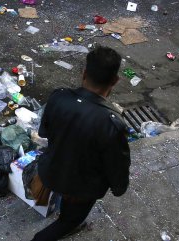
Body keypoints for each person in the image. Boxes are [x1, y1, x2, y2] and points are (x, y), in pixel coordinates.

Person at [32, 46, 131, 241]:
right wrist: (119, 188)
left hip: (52, 171)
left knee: (67, 206)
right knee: (68, 221)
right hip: (81, 188)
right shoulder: (111, 123)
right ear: (115, 81)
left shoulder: (58, 96)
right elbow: (117, 166)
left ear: (84, 73)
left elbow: (44, 132)